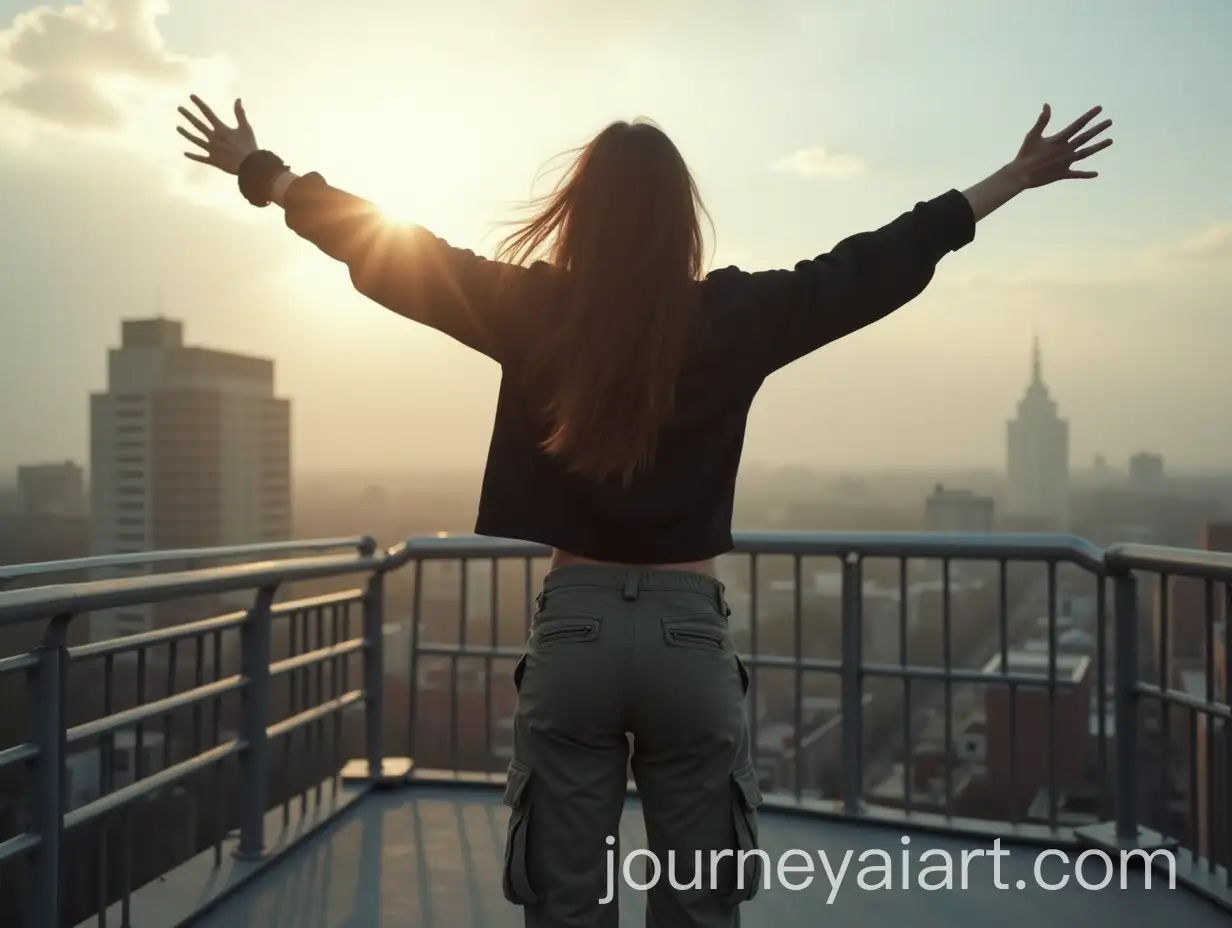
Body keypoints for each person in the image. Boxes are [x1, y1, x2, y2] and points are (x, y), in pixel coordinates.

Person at [177, 96, 1112, 928]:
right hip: (688, 641)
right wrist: (1008, 181)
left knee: (564, 900)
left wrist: (263, 172)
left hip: (575, 632)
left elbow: (390, 249)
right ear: (681, 220)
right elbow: (870, 264)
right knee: (699, 904)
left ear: (578, 214)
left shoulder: (529, 308)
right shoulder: (735, 316)